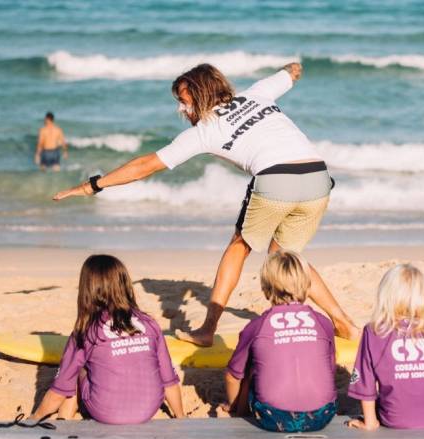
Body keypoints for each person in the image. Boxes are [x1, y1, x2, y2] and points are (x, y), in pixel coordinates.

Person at [52, 62, 359, 346]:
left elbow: (145, 165)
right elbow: (290, 72)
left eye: (184, 102)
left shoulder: (205, 131)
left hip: (276, 178)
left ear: (201, 96)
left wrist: (93, 185)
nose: (182, 110)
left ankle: (208, 329)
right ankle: (344, 322)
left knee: (239, 247)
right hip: (318, 177)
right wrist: (293, 69)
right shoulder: (259, 94)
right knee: (285, 260)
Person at [29, 254, 184, 424]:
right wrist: (181, 417)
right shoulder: (149, 323)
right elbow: (169, 380)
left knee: (74, 370)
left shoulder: (86, 330)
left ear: (87, 289)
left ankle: (64, 419)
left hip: (106, 411)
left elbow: (58, 392)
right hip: (149, 408)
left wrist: (35, 417)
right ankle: (65, 419)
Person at [224, 250, 337, 432]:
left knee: (250, 368)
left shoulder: (257, 326)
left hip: (275, 418)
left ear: (266, 288)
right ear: (308, 286)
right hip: (322, 415)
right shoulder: (323, 323)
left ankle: (239, 412)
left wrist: (233, 405)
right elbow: (330, 369)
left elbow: (232, 377)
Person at [347, 264, 424, 430]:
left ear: (385, 296)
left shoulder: (373, 332)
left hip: (395, 419)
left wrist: (370, 423)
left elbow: (365, 383)